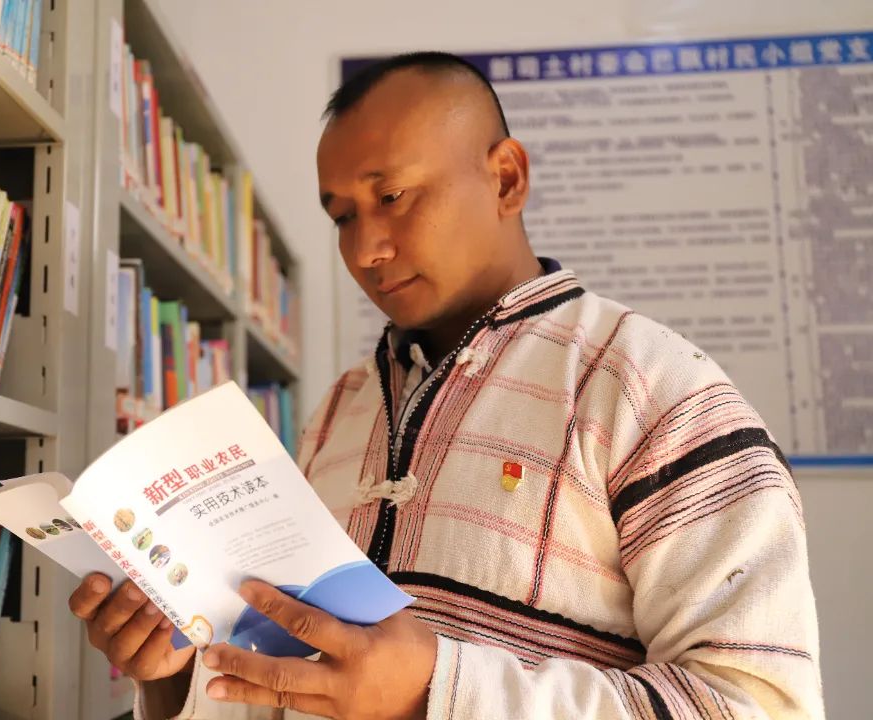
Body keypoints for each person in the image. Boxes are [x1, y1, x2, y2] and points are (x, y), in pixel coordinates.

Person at [69, 52, 824, 719]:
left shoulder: (655, 392)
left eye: (393, 196)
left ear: (506, 178)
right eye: (342, 217)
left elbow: (756, 705)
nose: (366, 249)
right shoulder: (339, 411)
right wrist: (175, 678)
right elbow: (290, 680)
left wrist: (435, 691)